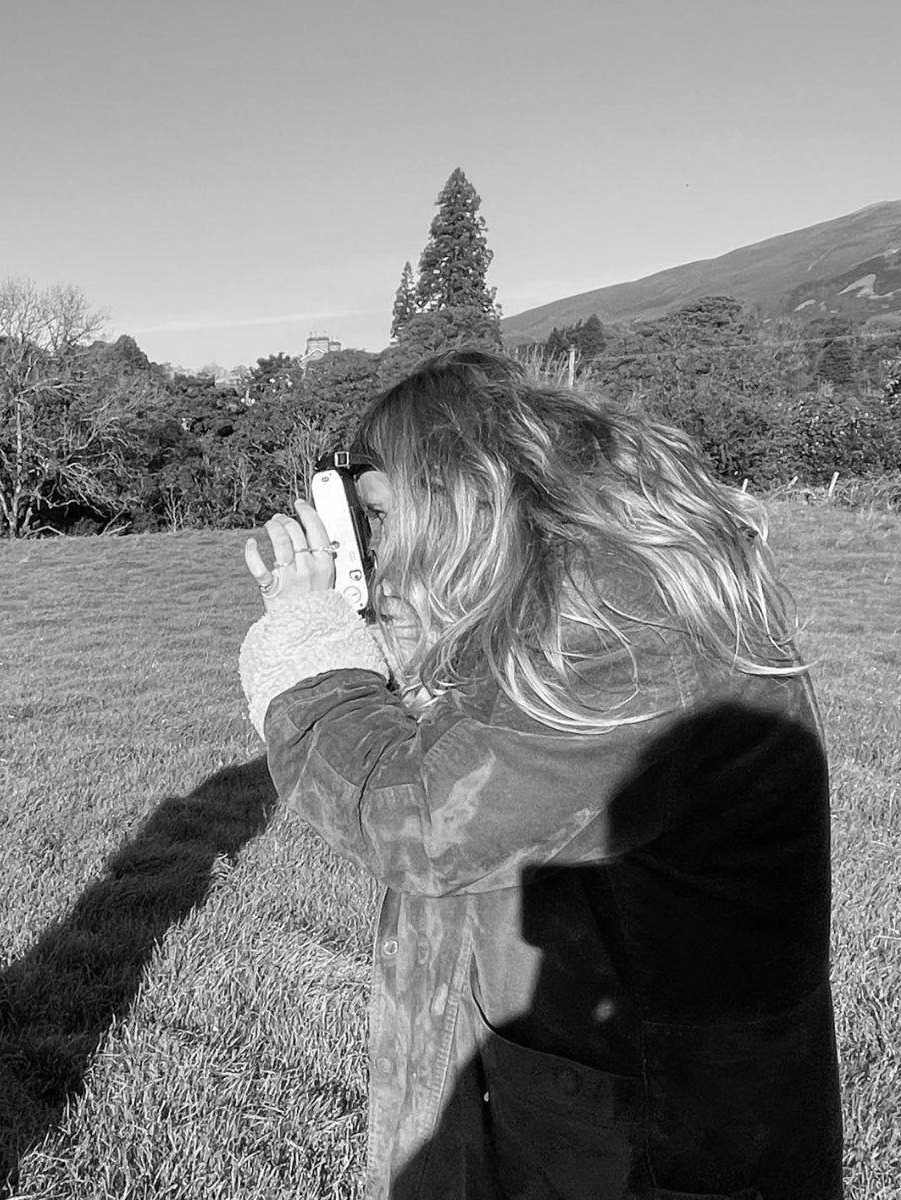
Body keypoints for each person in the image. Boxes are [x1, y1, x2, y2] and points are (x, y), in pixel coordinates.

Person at [238, 348, 841, 1199]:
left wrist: (310, 665)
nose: (378, 547)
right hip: (586, 1100)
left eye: (381, 512)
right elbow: (492, 756)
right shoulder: (571, 592)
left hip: (657, 1142)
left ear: (461, 485)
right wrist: (409, 638)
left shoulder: (625, 627)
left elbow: (419, 824)